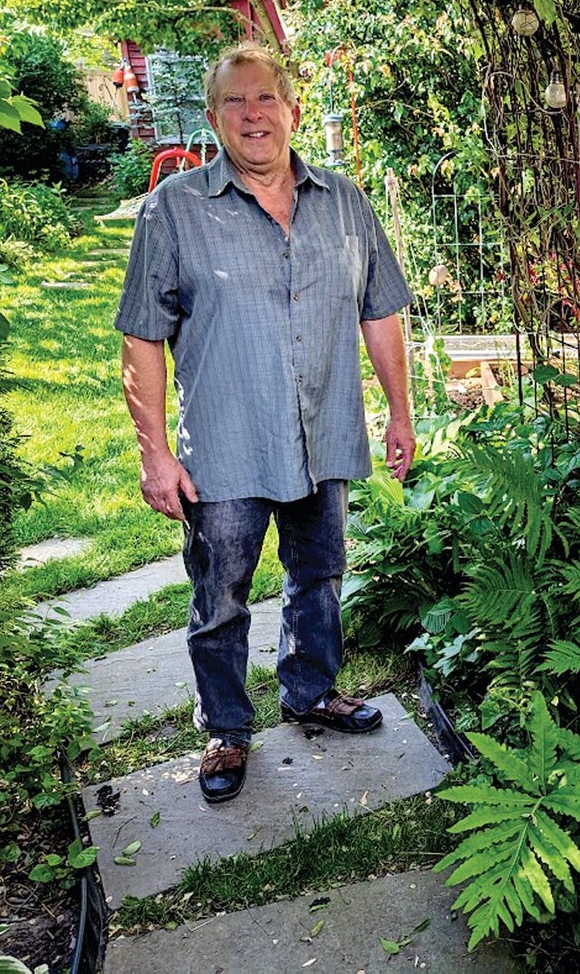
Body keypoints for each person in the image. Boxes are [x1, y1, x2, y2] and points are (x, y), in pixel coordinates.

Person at [115, 44, 415, 804]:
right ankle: (224, 727)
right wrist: (155, 456)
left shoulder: (344, 199)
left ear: (292, 109)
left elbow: (380, 310)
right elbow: (141, 336)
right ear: (214, 119)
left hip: (325, 431)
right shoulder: (174, 209)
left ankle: (311, 690)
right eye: (235, 103)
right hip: (227, 443)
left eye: (265, 99)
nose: (254, 115)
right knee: (220, 595)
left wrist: (400, 410)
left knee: (320, 575)